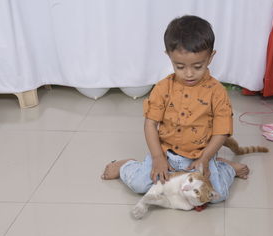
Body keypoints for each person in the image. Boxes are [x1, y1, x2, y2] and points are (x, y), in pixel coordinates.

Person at [101, 15, 249, 203]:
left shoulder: (217, 92)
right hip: (166, 154)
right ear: (169, 56)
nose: (188, 73)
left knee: (216, 195)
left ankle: (225, 168)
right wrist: (157, 158)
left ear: (210, 57)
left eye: (197, 66)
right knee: (140, 184)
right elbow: (150, 124)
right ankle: (126, 166)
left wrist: (205, 158)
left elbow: (221, 132)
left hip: (200, 156)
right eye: (180, 66)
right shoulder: (163, 88)